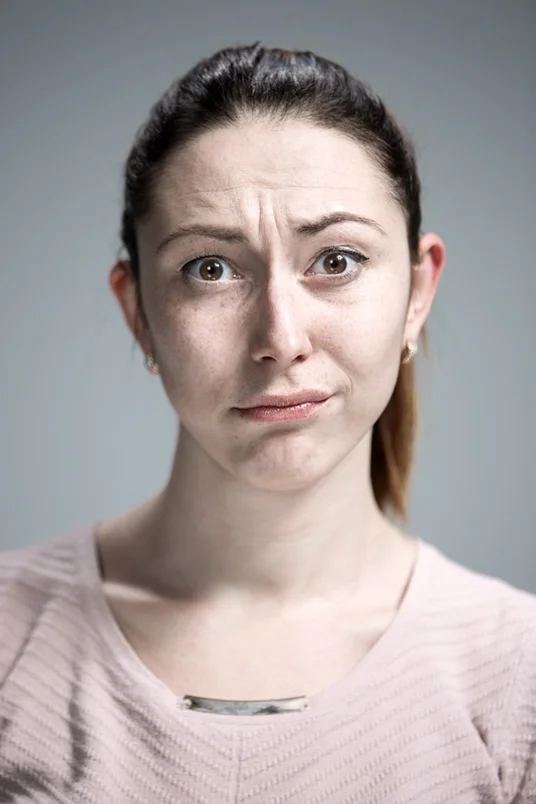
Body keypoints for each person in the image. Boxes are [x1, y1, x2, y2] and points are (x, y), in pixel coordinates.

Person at [0, 42, 534, 803]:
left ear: (417, 292)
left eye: (337, 260)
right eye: (210, 268)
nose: (280, 338)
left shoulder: (517, 679)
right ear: (137, 312)